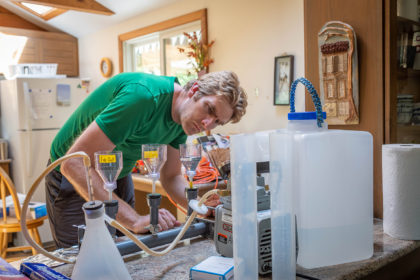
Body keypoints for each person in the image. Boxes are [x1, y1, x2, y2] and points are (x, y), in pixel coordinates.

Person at [45, 71, 248, 248]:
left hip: (118, 173)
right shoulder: (143, 97)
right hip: (73, 174)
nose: (207, 124)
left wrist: (200, 208)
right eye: (209, 109)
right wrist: (133, 219)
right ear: (194, 89)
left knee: (126, 254)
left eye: (216, 122)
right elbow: (73, 163)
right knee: (81, 259)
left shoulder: (183, 120)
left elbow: (171, 176)